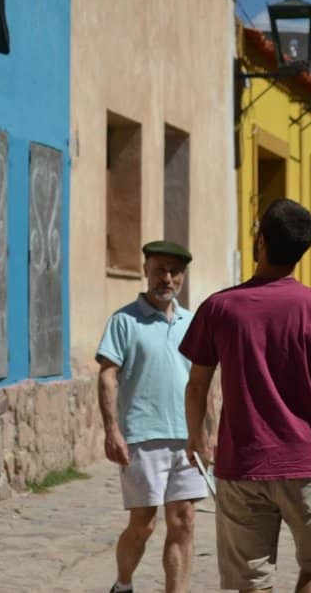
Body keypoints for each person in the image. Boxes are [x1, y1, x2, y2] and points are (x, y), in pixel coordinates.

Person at [181, 199, 311, 593]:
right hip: (304, 461)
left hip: (241, 463)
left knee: (250, 581)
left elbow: (196, 385)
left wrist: (196, 436)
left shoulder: (219, 308)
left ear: (260, 241)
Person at [97, 240, 208, 593]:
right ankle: (123, 583)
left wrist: (210, 432)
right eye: (160, 269)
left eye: (175, 272)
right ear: (146, 270)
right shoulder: (124, 321)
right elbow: (107, 375)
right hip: (142, 436)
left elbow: (205, 382)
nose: (167, 278)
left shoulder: (193, 322)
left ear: (183, 278)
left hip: (187, 437)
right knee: (143, 523)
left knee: (184, 520)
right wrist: (112, 429)